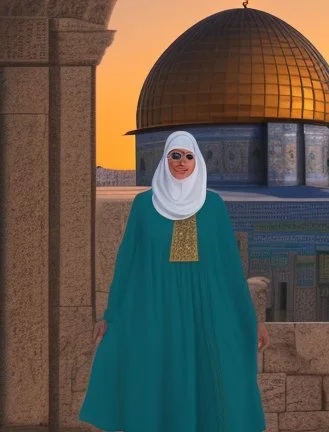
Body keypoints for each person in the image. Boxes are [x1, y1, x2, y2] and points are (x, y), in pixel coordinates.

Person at [79, 131, 269, 431]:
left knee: (209, 376)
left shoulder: (213, 205)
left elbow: (231, 267)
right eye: (175, 156)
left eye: (189, 156)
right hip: (156, 306)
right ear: (164, 160)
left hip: (204, 309)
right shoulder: (144, 205)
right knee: (155, 376)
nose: (182, 163)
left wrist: (250, 320)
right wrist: (111, 314)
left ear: (198, 162)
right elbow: (127, 260)